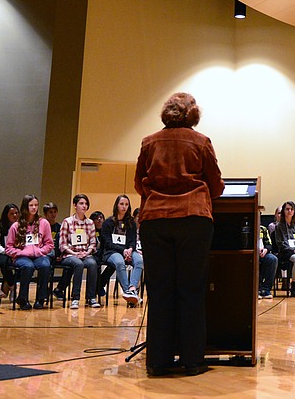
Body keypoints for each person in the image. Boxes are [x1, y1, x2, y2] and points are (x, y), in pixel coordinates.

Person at [134, 91, 225, 378]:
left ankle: (158, 361)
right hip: (193, 219)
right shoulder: (201, 142)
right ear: (193, 114)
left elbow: (139, 183)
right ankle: (192, 361)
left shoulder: (149, 142)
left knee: (159, 291)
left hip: (155, 220)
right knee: (192, 290)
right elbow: (217, 185)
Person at [5, 194, 53, 310]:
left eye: (36, 205)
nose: (34, 208)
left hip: (39, 255)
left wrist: (41, 251)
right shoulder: (16, 226)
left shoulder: (44, 223)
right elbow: (9, 248)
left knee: (45, 265)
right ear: (25, 207)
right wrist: (21, 252)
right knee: (28, 266)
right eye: (31, 205)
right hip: (22, 256)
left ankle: (41, 299)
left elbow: (49, 244)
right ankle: (22, 298)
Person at [99, 194, 143, 306]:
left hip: (128, 250)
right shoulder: (108, 222)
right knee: (119, 262)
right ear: (116, 205)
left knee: (139, 261)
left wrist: (130, 249)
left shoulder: (131, 223)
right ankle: (127, 291)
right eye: (122, 204)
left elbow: (132, 240)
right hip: (111, 252)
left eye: (126, 204)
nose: (124, 207)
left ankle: (132, 288)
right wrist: (123, 251)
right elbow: (108, 243)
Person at [58, 193, 100, 310]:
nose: (84, 206)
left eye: (86, 204)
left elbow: (93, 242)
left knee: (92, 264)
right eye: (81, 203)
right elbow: (63, 244)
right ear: (75, 205)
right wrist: (74, 253)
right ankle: (75, 298)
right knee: (78, 264)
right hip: (70, 254)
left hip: (85, 253)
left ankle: (91, 297)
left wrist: (87, 253)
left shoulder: (90, 223)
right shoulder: (67, 222)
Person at [272, 201, 295, 297]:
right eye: (287, 209)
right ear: (284, 211)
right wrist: (293, 250)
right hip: (285, 252)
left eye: (292, 209)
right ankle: (294, 285)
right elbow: (280, 243)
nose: (289, 211)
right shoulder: (279, 226)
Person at [0, 203, 19, 295]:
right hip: (1, 253)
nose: (15, 215)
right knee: (5, 262)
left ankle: (7, 282)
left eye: (16, 213)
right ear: (6, 215)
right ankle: (12, 286)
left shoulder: (21, 227)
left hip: (16, 253)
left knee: (27, 265)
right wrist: (8, 252)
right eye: (12, 213)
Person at [257, 221, 278, 299]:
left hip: (263, 253)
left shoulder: (263, 229)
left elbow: (269, 244)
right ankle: (257, 289)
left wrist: (266, 249)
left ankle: (266, 289)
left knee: (273, 259)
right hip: (253, 254)